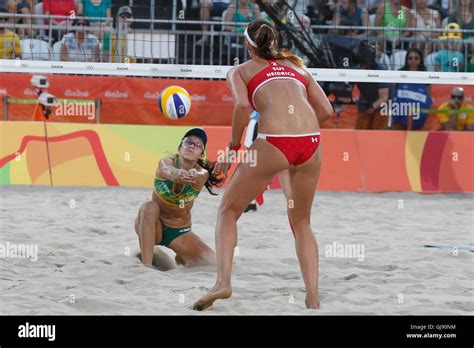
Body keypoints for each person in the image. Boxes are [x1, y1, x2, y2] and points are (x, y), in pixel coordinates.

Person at [193, 19, 333, 311]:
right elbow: (327, 111)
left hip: (276, 142)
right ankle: (314, 298)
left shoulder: (240, 71)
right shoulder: (298, 67)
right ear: (274, 42)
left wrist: (232, 151)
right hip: (311, 143)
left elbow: (243, 108)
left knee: (228, 210)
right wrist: (299, 134)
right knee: (302, 222)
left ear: (247, 45)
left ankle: (223, 283)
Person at [135, 128, 223, 268]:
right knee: (148, 207)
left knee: (214, 264)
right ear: (180, 148)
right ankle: (147, 266)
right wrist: (177, 174)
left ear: (201, 155)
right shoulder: (165, 162)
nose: (192, 146)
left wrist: (193, 174)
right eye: (188, 142)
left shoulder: (201, 174)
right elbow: (168, 171)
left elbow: (201, 175)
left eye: (198, 145)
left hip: (178, 231)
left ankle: (182, 258)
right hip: (152, 224)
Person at [391, 48, 433, 130]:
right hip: (399, 115)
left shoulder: (425, 76)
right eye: (410, 58)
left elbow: (429, 97)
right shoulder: (400, 73)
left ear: (420, 60)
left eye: (416, 58)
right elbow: (392, 93)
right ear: (406, 60)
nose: (413, 60)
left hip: (417, 117)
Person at [354, 43, 390, 129]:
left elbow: (384, 97)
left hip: (379, 108)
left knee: (378, 139)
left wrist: (372, 107)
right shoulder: (357, 68)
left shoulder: (380, 69)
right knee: (360, 137)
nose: (363, 66)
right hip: (365, 107)